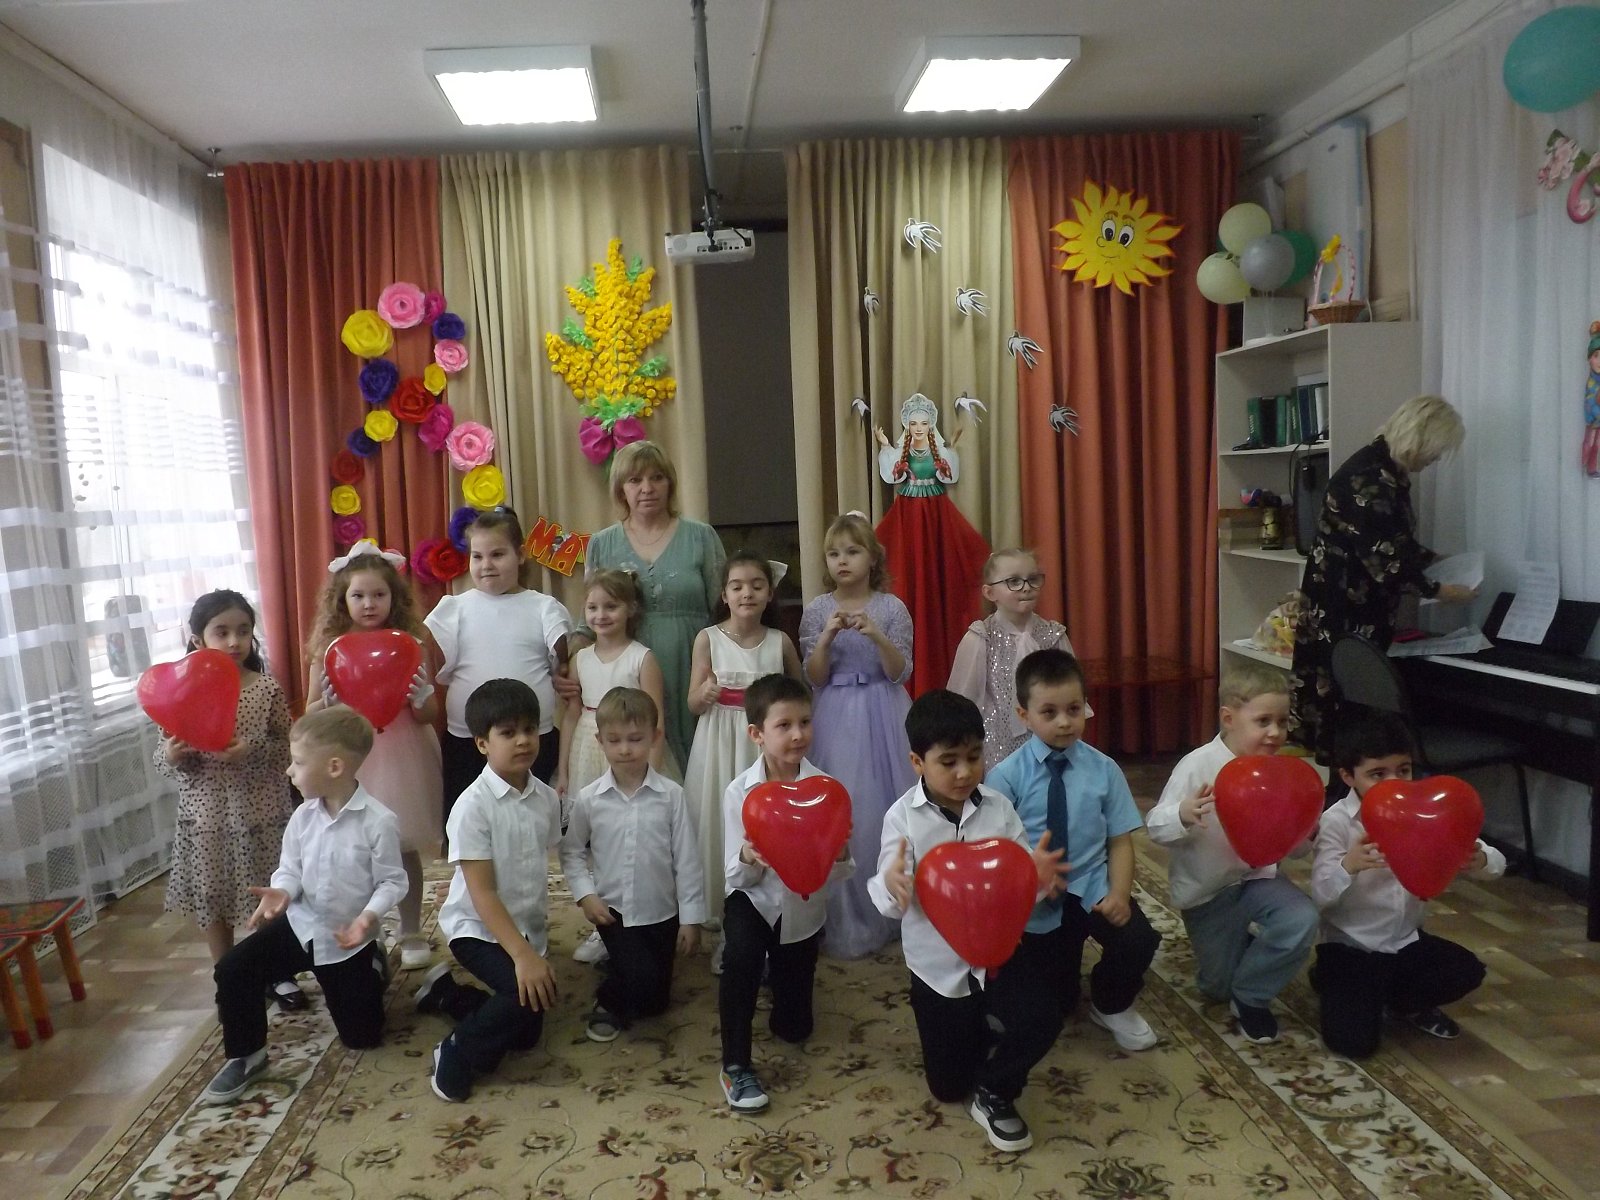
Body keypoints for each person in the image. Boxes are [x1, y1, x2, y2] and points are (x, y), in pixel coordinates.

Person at [869, 689, 1070, 1153]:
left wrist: (1037, 879)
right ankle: (978, 1031)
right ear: (917, 762)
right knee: (947, 1087)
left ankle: (995, 1090)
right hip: (938, 970)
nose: (964, 772)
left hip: (1000, 956)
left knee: (1045, 1018)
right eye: (949, 761)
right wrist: (894, 885)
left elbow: (1017, 885)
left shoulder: (999, 808)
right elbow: (886, 898)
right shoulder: (901, 819)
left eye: (974, 757)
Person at [202, 707, 406, 1103]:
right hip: (301, 925)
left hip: (348, 940)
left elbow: (392, 881)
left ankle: (374, 964)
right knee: (233, 968)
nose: (289, 771)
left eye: (297, 762)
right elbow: (290, 869)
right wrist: (283, 891)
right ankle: (248, 1055)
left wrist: (367, 919)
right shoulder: (301, 818)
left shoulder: (379, 822)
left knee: (362, 1037)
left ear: (334, 767)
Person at [986, 648, 1161, 1053]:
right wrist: (1025, 880)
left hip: (1090, 884)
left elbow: (1119, 840)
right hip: (1036, 896)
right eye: (1049, 712)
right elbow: (996, 850)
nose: (1064, 722)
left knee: (1138, 939)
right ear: (1024, 715)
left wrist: (1119, 894)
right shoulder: (1005, 777)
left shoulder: (1104, 769)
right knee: (1057, 1002)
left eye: (1074, 709)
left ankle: (1110, 1002)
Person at [1291, 395, 1475, 764]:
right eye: (1435, 451)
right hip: (1344, 608)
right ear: (1419, 439)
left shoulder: (1386, 470)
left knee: (1353, 707)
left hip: (1352, 603)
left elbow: (1392, 540)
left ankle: (1351, 788)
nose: (1434, 460)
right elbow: (1384, 559)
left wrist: (1433, 559)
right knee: (1348, 710)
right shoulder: (1368, 479)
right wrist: (1440, 590)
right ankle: (1344, 793)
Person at [1310, 711, 1504, 1059]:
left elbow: (1493, 861)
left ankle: (1403, 1002)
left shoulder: (1426, 809)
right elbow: (1321, 896)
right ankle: (1331, 980)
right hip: (1352, 947)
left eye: (1403, 770)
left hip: (1405, 941)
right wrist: (1348, 866)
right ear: (1348, 776)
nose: (1394, 782)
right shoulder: (1337, 822)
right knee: (1354, 1044)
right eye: (1377, 774)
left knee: (1466, 970)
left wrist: (1482, 860)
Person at [1145, 663, 1319, 1043]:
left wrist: (1308, 832)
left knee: (1302, 919)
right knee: (1217, 987)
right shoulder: (1198, 766)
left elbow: (1293, 849)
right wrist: (1182, 814)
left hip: (1259, 880)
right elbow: (1155, 827)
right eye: (1263, 721)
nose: (1275, 733)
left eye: (1282, 722)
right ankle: (1241, 958)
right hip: (1208, 893)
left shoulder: (1282, 772)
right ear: (1228, 718)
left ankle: (1251, 997)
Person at [416, 679, 564, 1103]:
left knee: (527, 1034)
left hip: (525, 927)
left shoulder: (547, 798)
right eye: (508, 733)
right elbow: (483, 895)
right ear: (482, 743)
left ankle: (446, 995)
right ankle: (456, 1050)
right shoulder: (471, 807)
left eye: (530, 730)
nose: (523, 741)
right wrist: (523, 957)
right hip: (476, 929)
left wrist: (529, 949)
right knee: (522, 997)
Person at [155, 589, 302, 1009]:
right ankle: (227, 978)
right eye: (222, 632)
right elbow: (162, 754)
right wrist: (172, 755)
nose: (235, 641)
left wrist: (252, 750)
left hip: (261, 810)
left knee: (267, 890)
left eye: (243, 631)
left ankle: (274, 970)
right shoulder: (181, 693)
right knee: (213, 895)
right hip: (207, 816)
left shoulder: (265, 687)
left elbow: (289, 746)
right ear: (198, 639)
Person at [717, 674, 853, 1113]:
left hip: (801, 908)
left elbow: (836, 874)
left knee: (794, 1028)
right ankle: (735, 1064)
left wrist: (839, 852)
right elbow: (732, 875)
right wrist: (748, 856)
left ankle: (776, 977)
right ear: (756, 734)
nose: (798, 734)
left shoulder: (827, 791)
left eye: (805, 722)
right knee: (740, 960)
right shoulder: (740, 792)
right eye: (784, 725)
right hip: (752, 898)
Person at [304, 540, 441, 969]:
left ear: (394, 598)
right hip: (350, 758)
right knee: (356, 853)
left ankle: (411, 928)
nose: (369, 603)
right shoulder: (329, 648)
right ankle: (368, 932)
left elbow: (428, 714)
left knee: (402, 847)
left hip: (402, 753)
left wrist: (421, 697)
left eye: (379, 594)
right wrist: (326, 703)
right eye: (359, 595)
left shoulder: (411, 643)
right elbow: (309, 713)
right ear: (342, 600)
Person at [559, 688, 705, 1043]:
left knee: (655, 1004)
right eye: (615, 740)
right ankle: (608, 996)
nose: (625, 749)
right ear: (600, 742)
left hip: (661, 912)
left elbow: (687, 859)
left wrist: (691, 918)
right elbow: (572, 852)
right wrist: (586, 895)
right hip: (614, 912)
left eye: (635, 739)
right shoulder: (589, 799)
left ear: (654, 737)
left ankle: (619, 965)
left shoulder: (672, 796)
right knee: (637, 981)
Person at [800, 512, 915, 958]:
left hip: (884, 713)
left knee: (882, 811)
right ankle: (840, 914)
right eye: (834, 553)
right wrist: (826, 638)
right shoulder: (817, 609)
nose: (842, 561)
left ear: (872, 558)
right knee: (842, 812)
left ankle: (887, 908)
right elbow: (814, 676)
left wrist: (877, 636)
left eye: (852, 551)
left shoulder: (892, 608)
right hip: (834, 715)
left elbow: (900, 672)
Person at [576, 441, 727, 769]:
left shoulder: (701, 537)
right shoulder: (602, 544)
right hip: (628, 672)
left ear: (670, 483)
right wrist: (569, 668)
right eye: (635, 480)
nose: (647, 488)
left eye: (657, 477)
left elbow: (724, 608)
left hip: (692, 666)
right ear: (621, 489)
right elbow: (588, 617)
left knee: (698, 762)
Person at [683, 553, 801, 953]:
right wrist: (704, 693)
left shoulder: (780, 641)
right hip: (718, 742)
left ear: (769, 593)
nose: (746, 593)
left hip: (763, 747)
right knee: (721, 822)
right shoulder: (708, 638)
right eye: (737, 586)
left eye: (756, 585)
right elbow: (692, 702)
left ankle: (768, 918)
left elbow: (799, 694)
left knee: (764, 825)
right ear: (724, 595)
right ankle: (725, 923)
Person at [426, 508, 574, 824]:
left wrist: (564, 667)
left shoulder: (542, 606)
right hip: (467, 740)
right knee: (469, 821)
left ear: (520, 555)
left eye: (497, 554)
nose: (486, 565)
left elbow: (562, 655)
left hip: (530, 738)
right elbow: (427, 653)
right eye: (477, 556)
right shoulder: (456, 607)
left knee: (531, 820)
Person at [873, 393, 991, 696]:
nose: (918, 428)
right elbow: (891, 474)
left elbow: (948, 474)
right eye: (913, 423)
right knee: (905, 576)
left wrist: (950, 448)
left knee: (944, 575)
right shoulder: (903, 452)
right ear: (907, 425)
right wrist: (885, 446)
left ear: (930, 425)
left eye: (923, 423)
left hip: (937, 517)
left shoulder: (936, 450)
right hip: (908, 518)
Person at [947, 547, 1074, 770]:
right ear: (990, 593)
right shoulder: (981, 637)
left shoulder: (1054, 635)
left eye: (1032, 579)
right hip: (996, 748)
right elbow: (963, 701)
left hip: (1050, 742)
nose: (1026, 587)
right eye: (1013, 581)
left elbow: (1072, 693)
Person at [557, 568, 672, 803]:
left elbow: (657, 718)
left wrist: (652, 771)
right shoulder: (580, 659)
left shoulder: (642, 659)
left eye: (611, 607)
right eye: (592, 608)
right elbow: (570, 716)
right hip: (587, 748)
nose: (601, 615)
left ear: (630, 609)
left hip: (631, 743)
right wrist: (563, 770)